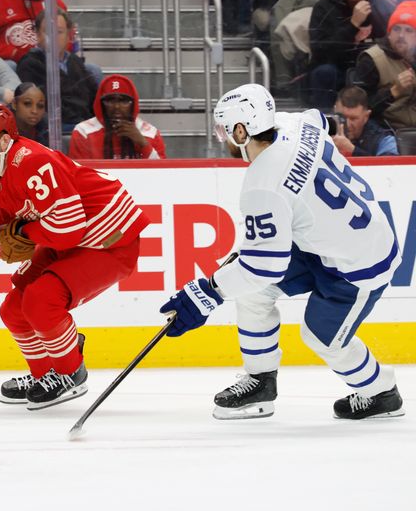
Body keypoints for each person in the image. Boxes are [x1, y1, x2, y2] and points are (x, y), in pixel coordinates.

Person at [158, 83, 404, 421]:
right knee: (252, 293)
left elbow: (263, 268)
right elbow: (322, 120)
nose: (224, 138)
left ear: (242, 131)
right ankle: (260, 382)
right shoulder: (294, 123)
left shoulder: (263, 184)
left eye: (226, 130)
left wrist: (206, 292)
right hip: (327, 241)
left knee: (322, 339)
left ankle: (381, 392)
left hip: (361, 262)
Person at [0, 102, 150, 410]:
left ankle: (69, 373)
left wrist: (24, 233)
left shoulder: (32, 162)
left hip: (110, 239)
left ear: (3, 141)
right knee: (13, 310)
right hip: (67, 239)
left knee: (41, 299)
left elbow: (69, 227)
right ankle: (45, 374)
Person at [308, 0, 386, 110]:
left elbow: (388, 44)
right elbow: (319, 51)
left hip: (369, 70)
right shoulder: (324, 7)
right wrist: (353, 24)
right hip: (336, 69)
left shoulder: (380, 6)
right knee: (324, 72)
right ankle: (324, 117)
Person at [16, 9, 97, 131]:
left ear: (68, 35)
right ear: (38, 35)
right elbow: (42, 106)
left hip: (85, 125)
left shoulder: (75, 61)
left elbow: (93, 97)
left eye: (59, 32)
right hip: (57, 128)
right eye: (48, 32)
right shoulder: (30, 64)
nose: (54, 37)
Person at [69, 74, 165, 160]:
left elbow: (162, 171)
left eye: (123, 101)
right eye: (110, 101)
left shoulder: (150, 133)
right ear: (101, 103)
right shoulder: (83, 131)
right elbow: (78, 171)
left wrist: (143, 143)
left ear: (133, 103)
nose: (117, 107)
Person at [355, 0, 416, 130]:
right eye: (396, 29)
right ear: (389, 34)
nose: (401, 35)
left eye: (408, 30)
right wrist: (393, 91)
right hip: (386, 130)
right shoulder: (372, 59)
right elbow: (359, 109)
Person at [331, 86, 398, 157]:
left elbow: (390, 163)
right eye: (342, 117)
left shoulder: (383, 140)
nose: (347, 124)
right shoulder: (324, 132)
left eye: (353, 119)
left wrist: (352, 150)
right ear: (334, 111)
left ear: (366, 116)